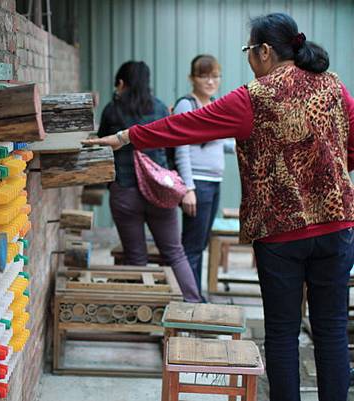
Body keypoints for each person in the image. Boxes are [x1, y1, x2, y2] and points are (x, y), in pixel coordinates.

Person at [85, 13, 354, 401]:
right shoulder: (333, 87)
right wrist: (331, 175)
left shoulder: (252, 97)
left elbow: (185, 125)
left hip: (279, 233)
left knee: (282, 332)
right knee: (331, 329)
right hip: (336, 225)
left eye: (249, 50)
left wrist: (127, 136)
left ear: (264, 51)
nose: (249, 59)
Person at [97, 61, 201, 303]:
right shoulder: (160, 108)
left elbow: (102, 147)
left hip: (124, 192)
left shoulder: (112, 110)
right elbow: (174, 148)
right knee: (175, 254)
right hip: (160, 191)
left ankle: (143, 314)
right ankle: (193, 307)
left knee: (135, 257)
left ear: (121, 84)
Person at [172, 54, 235, 296]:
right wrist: (188, 188)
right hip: (197, 184)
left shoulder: (215, 105)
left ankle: (194, 296)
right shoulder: (187, 105)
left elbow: (221, 143)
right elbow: (181, 148)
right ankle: (191, 300)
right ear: (192, 78)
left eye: (215, 76)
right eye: (204, 76)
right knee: (193, 245)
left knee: (200, 244)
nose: (211, 81)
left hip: (213, 183)